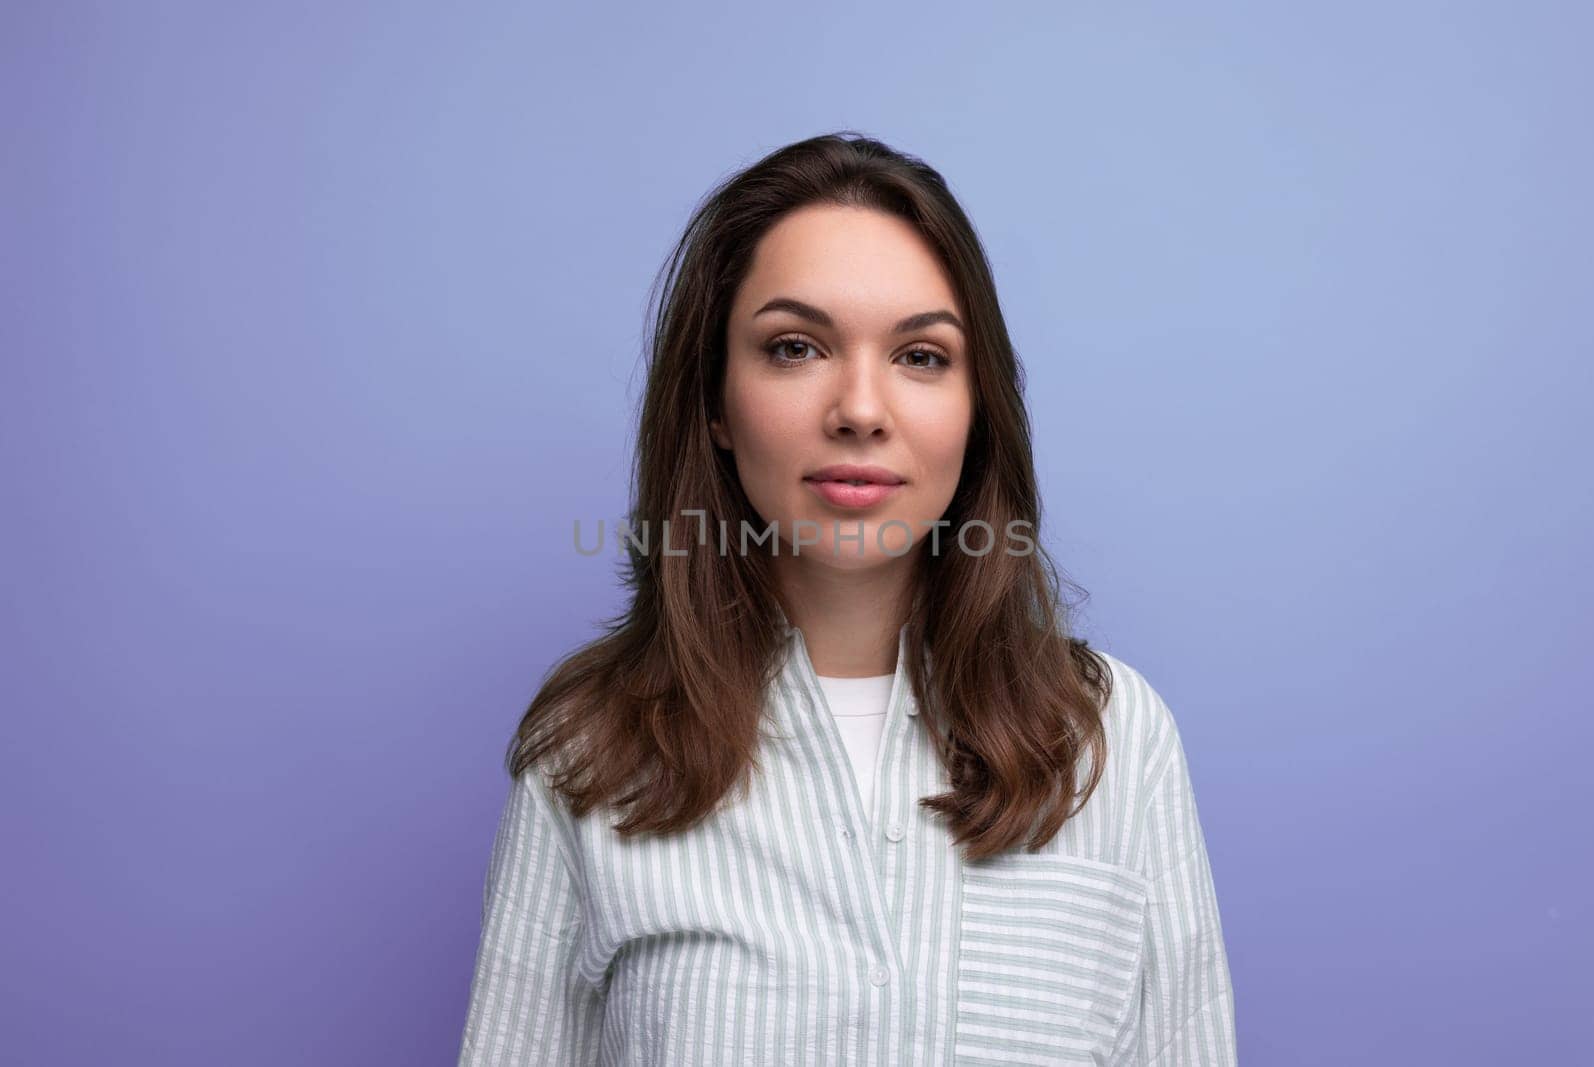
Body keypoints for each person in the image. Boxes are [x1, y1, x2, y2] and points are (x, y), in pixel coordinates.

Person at [456, 131, 1236, 1066]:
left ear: (978, 406)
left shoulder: (1114, 736)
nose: (861, 409)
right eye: (795, 347)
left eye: (921, 355)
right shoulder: (589, 751)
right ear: (714, 403)